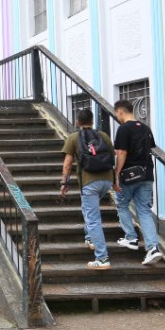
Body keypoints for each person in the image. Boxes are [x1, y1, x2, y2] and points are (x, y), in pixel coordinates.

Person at [60, 109, 115, 269]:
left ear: (77, 122)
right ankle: (91, 238)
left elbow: (67, 164)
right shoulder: (103, 136)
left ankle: (102, 258)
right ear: (92, 121)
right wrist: (115, 181)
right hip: (106, 181)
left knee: (93, 219)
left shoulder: (74, 138)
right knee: (88, 209)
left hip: (89, 182)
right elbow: (112, 157)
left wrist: (64, 183)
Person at [113, 100, 164, 265]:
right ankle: (152, 248)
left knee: (121, 204)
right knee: (144, 211)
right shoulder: (145, 128)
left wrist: (116, 173)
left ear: (120, 111)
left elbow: (122, 152)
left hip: (129, 175)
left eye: (116, 114)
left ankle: (131, 238)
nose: (117, 117)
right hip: (146, 174)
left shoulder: (123, 129)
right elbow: (149, 149)